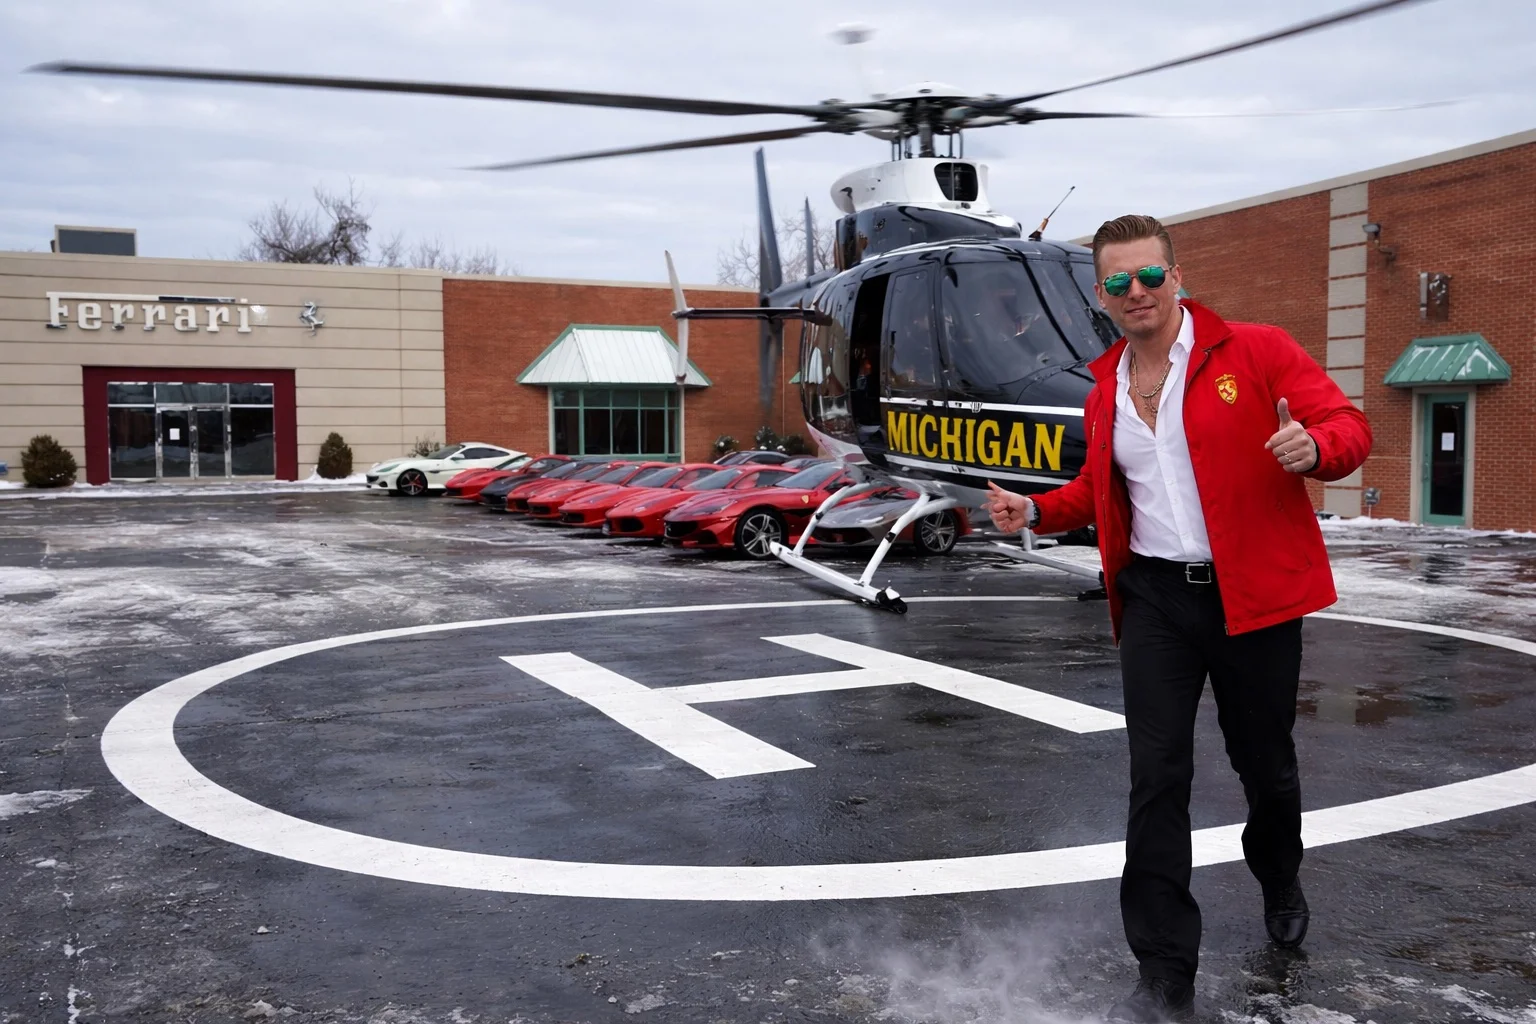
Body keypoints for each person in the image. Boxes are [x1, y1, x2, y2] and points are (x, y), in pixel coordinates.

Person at [983, 214, 1371, 1023]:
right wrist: (1034, 510)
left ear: (1177, 275)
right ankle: (1163, 962)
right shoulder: (1106, 388)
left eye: (1150, 276)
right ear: (1101, 294)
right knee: (1157, 775)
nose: (1137, 293)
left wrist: (1318, 451)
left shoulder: (1256, 351)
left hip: (1253, 597)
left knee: (1266, 765)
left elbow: (1347, 425)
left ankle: (1280, 873)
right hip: (1157, 596)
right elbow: (1100, 492)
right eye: (1119, 282)